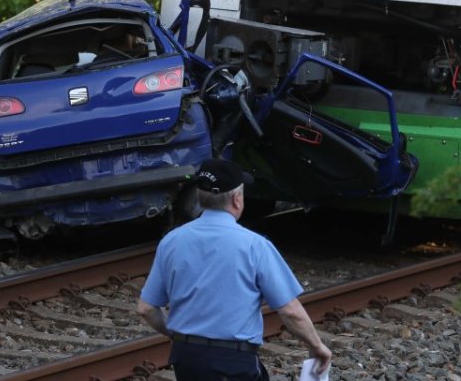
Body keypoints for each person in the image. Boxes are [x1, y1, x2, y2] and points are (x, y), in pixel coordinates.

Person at [137, 158, 332, 381]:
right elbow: (290, 312)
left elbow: (146, 308)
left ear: (200, 198)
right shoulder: (254, 245)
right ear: (237, 200)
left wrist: (177, 335)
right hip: (233, 362)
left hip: (186, 358)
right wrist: (317, 346)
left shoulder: (171, 241)